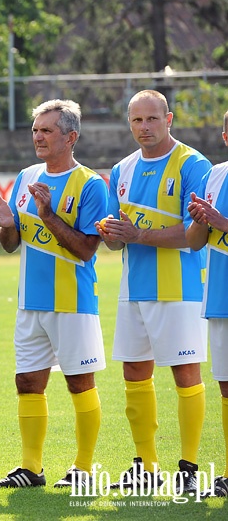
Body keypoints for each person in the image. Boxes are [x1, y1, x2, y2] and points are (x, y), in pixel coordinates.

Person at [0, 100, 108, 489]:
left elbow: (87, 249)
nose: (38, 136)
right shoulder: (26, 176)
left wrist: (49, 214)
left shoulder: (90, 184)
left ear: (70, 137)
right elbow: (11, 243)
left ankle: (83, 469)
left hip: (73, 303)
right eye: (35, 129)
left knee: (79, 384)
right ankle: (30, 468)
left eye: (47, 130)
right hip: (29, 303)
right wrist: (7, 225)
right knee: (27, 383)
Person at [100, 90, 211, 494]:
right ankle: (145, 465)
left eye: (151, 119)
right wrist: (111, 235)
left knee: (185, 373)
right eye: (136, 121)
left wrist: (138, 233)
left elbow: (195, 232)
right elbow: (117, 238)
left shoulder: (192, 163)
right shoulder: (122, 169)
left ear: (169, 119)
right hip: (134, 289)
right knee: (134, 371)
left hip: (179, 288)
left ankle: (190, 465)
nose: (144, 128)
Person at [186, 109, 228, 499]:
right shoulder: (215, 174)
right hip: (220, 298)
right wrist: (200, 219)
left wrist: (223, 221)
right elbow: (197, 241)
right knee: (227, 387)